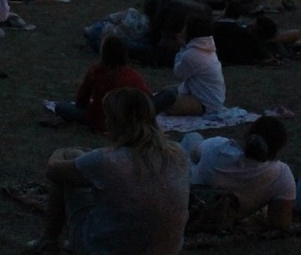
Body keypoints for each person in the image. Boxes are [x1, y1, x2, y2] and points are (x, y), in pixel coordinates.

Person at [29, 87, 189, 254]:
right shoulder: (179, 153)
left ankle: (48, 241)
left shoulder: (108, 161)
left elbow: (53, 171)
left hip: (104, 250)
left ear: (116, 121)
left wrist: (59, 152)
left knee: (70, 156)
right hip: (166, 250)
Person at [184, 116, 296, 230]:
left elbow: (193, 155)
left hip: (187, 197)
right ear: (277, 150)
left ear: (247, 135)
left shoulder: (217, 146)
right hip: (221, 215)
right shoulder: (281, 175)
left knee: (192, 137)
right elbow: (281, 223)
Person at [48, 36, 151, 131]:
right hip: (127, 122)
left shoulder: (96, 72)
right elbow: (147, 98)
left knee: (60, 107)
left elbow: (81, 101)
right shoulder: (132, 74)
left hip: (100, 121)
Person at [153, 15, 225, 116]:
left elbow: (178, 72)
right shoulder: (206, 47)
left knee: (168, 103)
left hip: (205, 102)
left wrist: (181, 48)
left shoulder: (192, 54)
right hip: (211, 97)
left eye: (184, 27)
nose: (182, 31)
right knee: (167, 92)